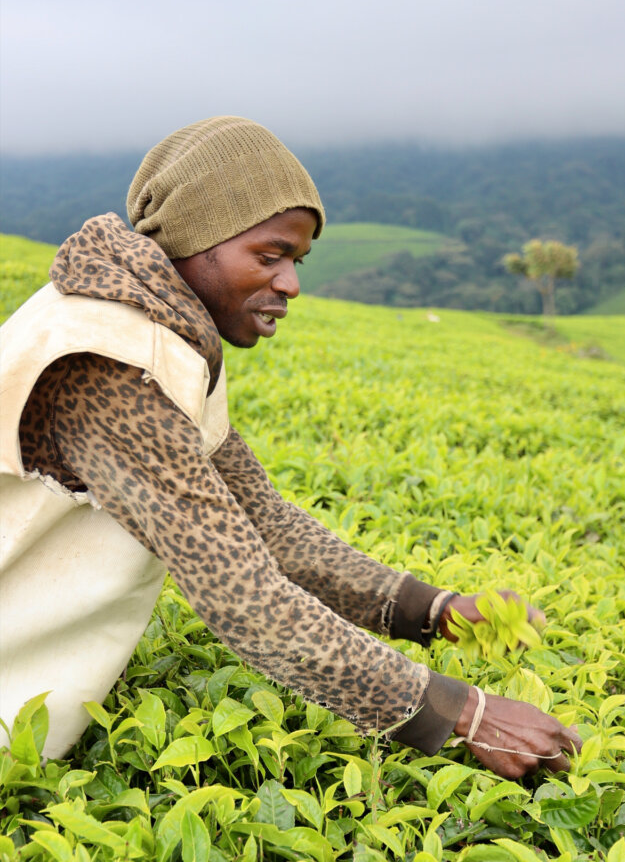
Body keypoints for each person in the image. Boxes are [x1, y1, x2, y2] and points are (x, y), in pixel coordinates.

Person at [0, 116, 582, 777]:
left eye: (296, 261)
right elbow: (242, 596)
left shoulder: (158, 332)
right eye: (268, 256)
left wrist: (431, 609)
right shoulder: (110, 362)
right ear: (196, 239)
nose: (291, 285)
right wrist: (462, 712)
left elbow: (263, 522)